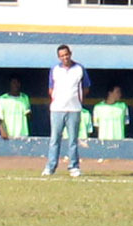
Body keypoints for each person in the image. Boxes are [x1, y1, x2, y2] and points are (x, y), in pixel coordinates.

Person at [44, 44, 90, 177]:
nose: (65, 57)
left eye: (67, 54)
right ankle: (50, 167)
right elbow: (51, 88)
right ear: (59, 57)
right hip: (57, 109)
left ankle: (73, 167)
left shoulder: (79, 69)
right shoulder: (55, 69)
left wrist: (78, 100)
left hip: (74, 109)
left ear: (71, 53)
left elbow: (86, 87)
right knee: (55, 139)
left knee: (73, 140)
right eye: (62, 56)